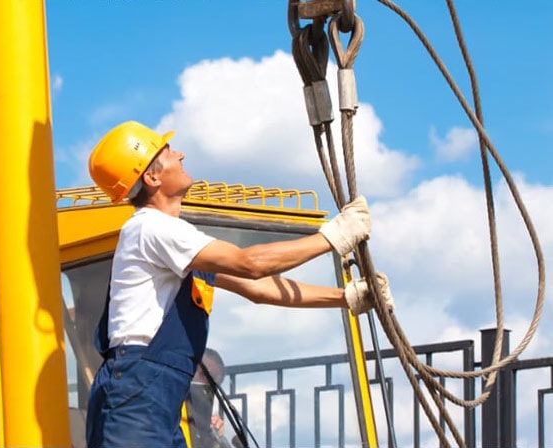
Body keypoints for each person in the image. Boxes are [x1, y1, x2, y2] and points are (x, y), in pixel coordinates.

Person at [85, 121, 393, 448]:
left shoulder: (177, 244)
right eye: (168, 152)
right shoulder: (151, 229)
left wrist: (348, 297)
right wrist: (334, 236)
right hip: (139, 390)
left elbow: (259, 288)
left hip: (154, 394)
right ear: (152, 177)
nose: (180, 154)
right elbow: (251, 265)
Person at [183, 348, 230, 448]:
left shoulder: (203, 424)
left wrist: (214, 439)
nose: (203, 383)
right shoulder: (164, 404)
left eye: (212, 384)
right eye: (203, 373)